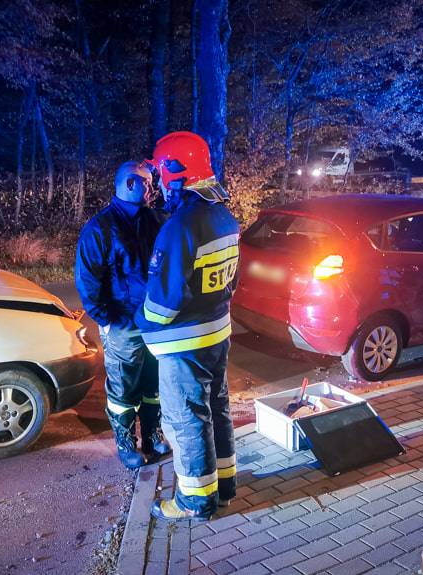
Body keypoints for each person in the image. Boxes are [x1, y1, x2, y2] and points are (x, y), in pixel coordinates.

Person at [136, 131, 239, 522]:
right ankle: (224, 487)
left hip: (184, 345)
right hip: (218, 334)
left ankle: (195, 501)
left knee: (186, 420)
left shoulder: (181, 226)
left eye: (160, 173)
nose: (158, 183)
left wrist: (138, 322)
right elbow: (231, 281)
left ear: (173, 171)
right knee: (217, 410)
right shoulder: (222, 214)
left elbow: (162, 305)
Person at [75, 161, 172, 469]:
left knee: (152, 385)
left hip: (153, 323)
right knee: (123, 389)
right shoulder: (100, 228)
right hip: (124, 325)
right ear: (130, 184)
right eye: (146, 183)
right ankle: (126, 442)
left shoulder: (155, 220)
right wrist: (106, 320)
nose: (152, 189)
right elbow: (88, 281)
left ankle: (153, 435)